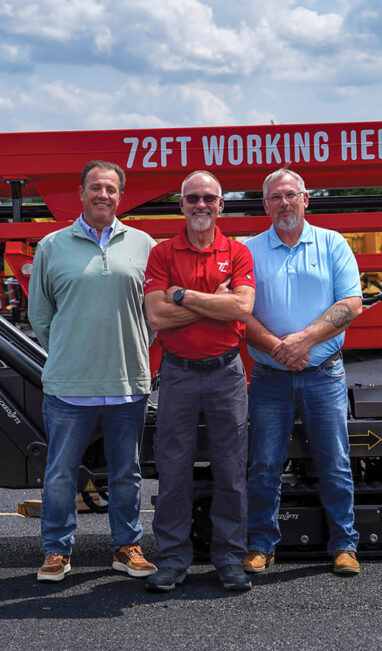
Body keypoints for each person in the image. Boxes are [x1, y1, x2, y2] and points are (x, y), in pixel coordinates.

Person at [27, 160, 158, 583]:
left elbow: (153, 316)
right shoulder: (52, 246)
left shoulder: (143, 244)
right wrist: (71, 352)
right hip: (69, 385)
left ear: (121, 195)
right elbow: (41, 316)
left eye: (111, 188)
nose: (103, 194)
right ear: (80, 192)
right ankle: (56, 552)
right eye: (95, 187)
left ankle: (127, 547)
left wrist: (134, 350)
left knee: (127, 472)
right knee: (61, 473)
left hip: (128, 382)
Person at [242, 168, 364, 575]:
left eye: (290, 195)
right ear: (265, 205)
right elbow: (240, 313)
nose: (283, 203)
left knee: (335, 463)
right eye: (275, 198)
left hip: (323, 374)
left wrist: (304, 341)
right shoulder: (250, 250)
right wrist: (280, 348)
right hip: (270, 377)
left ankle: (344, 546)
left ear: (305, 198)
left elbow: (351, 303)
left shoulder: (332, 244)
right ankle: (261, 545)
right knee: (263, 465)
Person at [143, 170, 256, 593]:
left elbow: (242, 309)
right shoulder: (162, 253)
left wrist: (181, 294)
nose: (201, 205)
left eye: (210, 198)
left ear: (221, 204)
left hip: (227, 374)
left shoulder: (238, 252)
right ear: (182, 204)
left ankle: (229, 558)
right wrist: (217, 303)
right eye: (193, 198)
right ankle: (172, 559)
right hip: (178, 374)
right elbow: (157, 316)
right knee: (173, 470)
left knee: (231, 469)